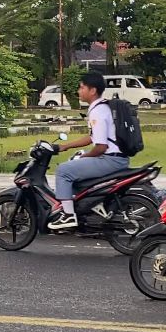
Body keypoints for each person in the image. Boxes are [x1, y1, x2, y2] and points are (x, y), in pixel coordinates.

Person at [47, 71, 129, 230]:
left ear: (92, 91)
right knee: (75, 161)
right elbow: (93, 137)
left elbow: (100, 147)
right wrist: (66, 146)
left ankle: (68, 215)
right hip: (117, 158)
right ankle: (87, 207)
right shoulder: (103, 107)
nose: (79, 91)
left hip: (110, 160)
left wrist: (85, 155)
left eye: (81, 87)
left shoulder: (97, 111)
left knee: (63, 171)